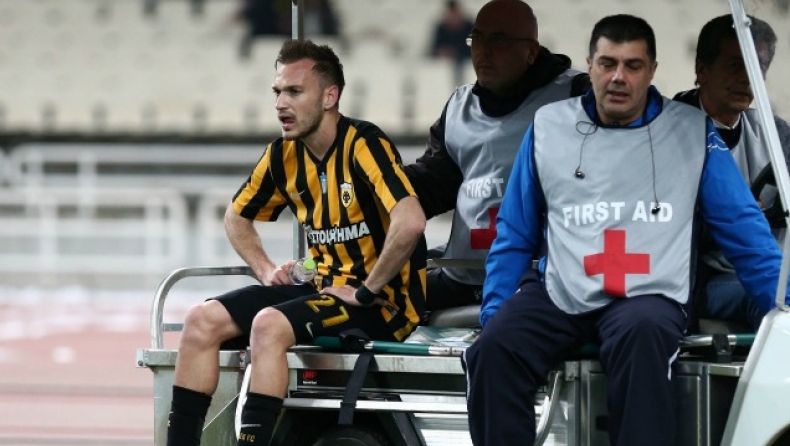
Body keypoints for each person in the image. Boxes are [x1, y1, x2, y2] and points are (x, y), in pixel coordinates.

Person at [464, 14, 789, 446]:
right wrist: (493, 316)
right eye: (607, 63)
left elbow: (746, 234)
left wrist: (785, 308)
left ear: (652, 71)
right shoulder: (547, 127)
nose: (619, 77)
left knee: (643, 336)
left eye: (633, 66)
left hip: (648, 295)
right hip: (561, 291)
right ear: (589, 66)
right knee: (493, 349)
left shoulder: (692, 132)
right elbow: (515, 233)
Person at [165, 39, 427, 446]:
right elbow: (236, 216)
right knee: (200, 320)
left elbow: (411, 222)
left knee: (268, 324)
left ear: (329, 96)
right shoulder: (283, 154)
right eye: (277, 92)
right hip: (323, 289)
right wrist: (267, 270)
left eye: (294, 91)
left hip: (383, 303)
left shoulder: (363, 144)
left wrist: (366, 290)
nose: (280, 104)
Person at [404, 0, 590, 312]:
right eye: (477, 38)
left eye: (499, 40)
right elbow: (435, 184)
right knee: (372, 296)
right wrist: (379, 183)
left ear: (531, 51)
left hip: (540, 279)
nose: (484, 50)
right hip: (463, 273)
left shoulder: (577, 98)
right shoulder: (459, 106)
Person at [674, 14, 790, 332]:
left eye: (756, 67)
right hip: (701, 279)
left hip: (767, 267)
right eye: (735, 65)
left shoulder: (776, 135)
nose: (747, 78)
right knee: (772, 299)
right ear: (702, 70)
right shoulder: (668, 131)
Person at [428, 0, 474, 85]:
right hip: (443, 69)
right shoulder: (441, 28)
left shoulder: (469, 27)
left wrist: (456, 53)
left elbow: (474, 48)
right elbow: (433, 48)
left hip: (466, 65)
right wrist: (442, 52)